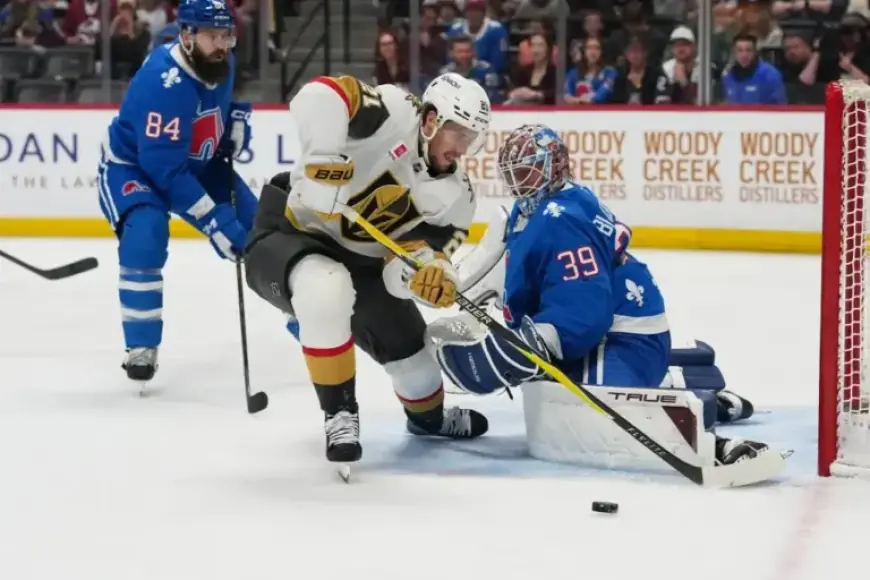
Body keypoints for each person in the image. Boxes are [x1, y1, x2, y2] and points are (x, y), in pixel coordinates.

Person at [426, 125, 777, 473]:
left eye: (527, 170)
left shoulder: (559, 220)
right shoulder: (538, 209)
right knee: (549, 396)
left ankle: (713, 442)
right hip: (619, 330)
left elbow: (585, 315)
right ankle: (697, 384)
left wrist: (531, 346)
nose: (519, 181)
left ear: (555, 166)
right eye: (513, 172)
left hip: (621, 336)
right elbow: (516, 269)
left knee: (587, 416)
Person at [242, 73, 492, 469]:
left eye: (471, 139)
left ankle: (429, 420)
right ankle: (339, 413)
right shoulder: (391, 111)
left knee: (419, 371)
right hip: (288, 234)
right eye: (457, 133)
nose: (462, 149)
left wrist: (427, 275)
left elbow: (404, 268)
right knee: (326, 289)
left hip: (366, 265)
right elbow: (317, 95)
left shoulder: (456, 198)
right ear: (430, 120)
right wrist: (322, 158)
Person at [97, 0, 256, 382]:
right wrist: (214, 220)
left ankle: (302, 314)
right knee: (146, 232)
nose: (222, 44)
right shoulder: (162, 82)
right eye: (212, 36)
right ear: (186, 36)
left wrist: (232, 118)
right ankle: (141, 345)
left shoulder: (219, 59)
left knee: (256, 225)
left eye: (226, 35)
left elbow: (213, 103)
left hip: (193, 164)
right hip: (135, 167)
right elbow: (164, 171)